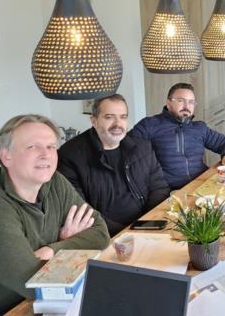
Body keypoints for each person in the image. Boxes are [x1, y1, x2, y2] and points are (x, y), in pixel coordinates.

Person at [0, 115, 110, 316]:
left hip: (37, 303)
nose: (45, 154)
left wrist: (54, 249)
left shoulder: (54, 181)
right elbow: (31, 283)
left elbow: (100, 233)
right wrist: (69, 244)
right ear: (6, 156)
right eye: (32, 146)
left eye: (51, 146)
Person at [58, 94, 170, 236]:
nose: (118, 124)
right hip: (106, 235)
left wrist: (148, 222)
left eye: (123, 117)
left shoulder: (142, 147)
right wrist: (126, 233)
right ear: (94, 121)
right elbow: (81, 211)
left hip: (148, 226)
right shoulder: (70, 155)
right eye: (109, 117)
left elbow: (159, 188)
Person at [131, 83, 225, 189]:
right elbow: (127, 147)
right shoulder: (150, 125)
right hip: (169, 190)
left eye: (191, 102)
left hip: (202, 184)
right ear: (168, 104)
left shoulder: (199, 128)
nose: (186, 106)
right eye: (180, 101)